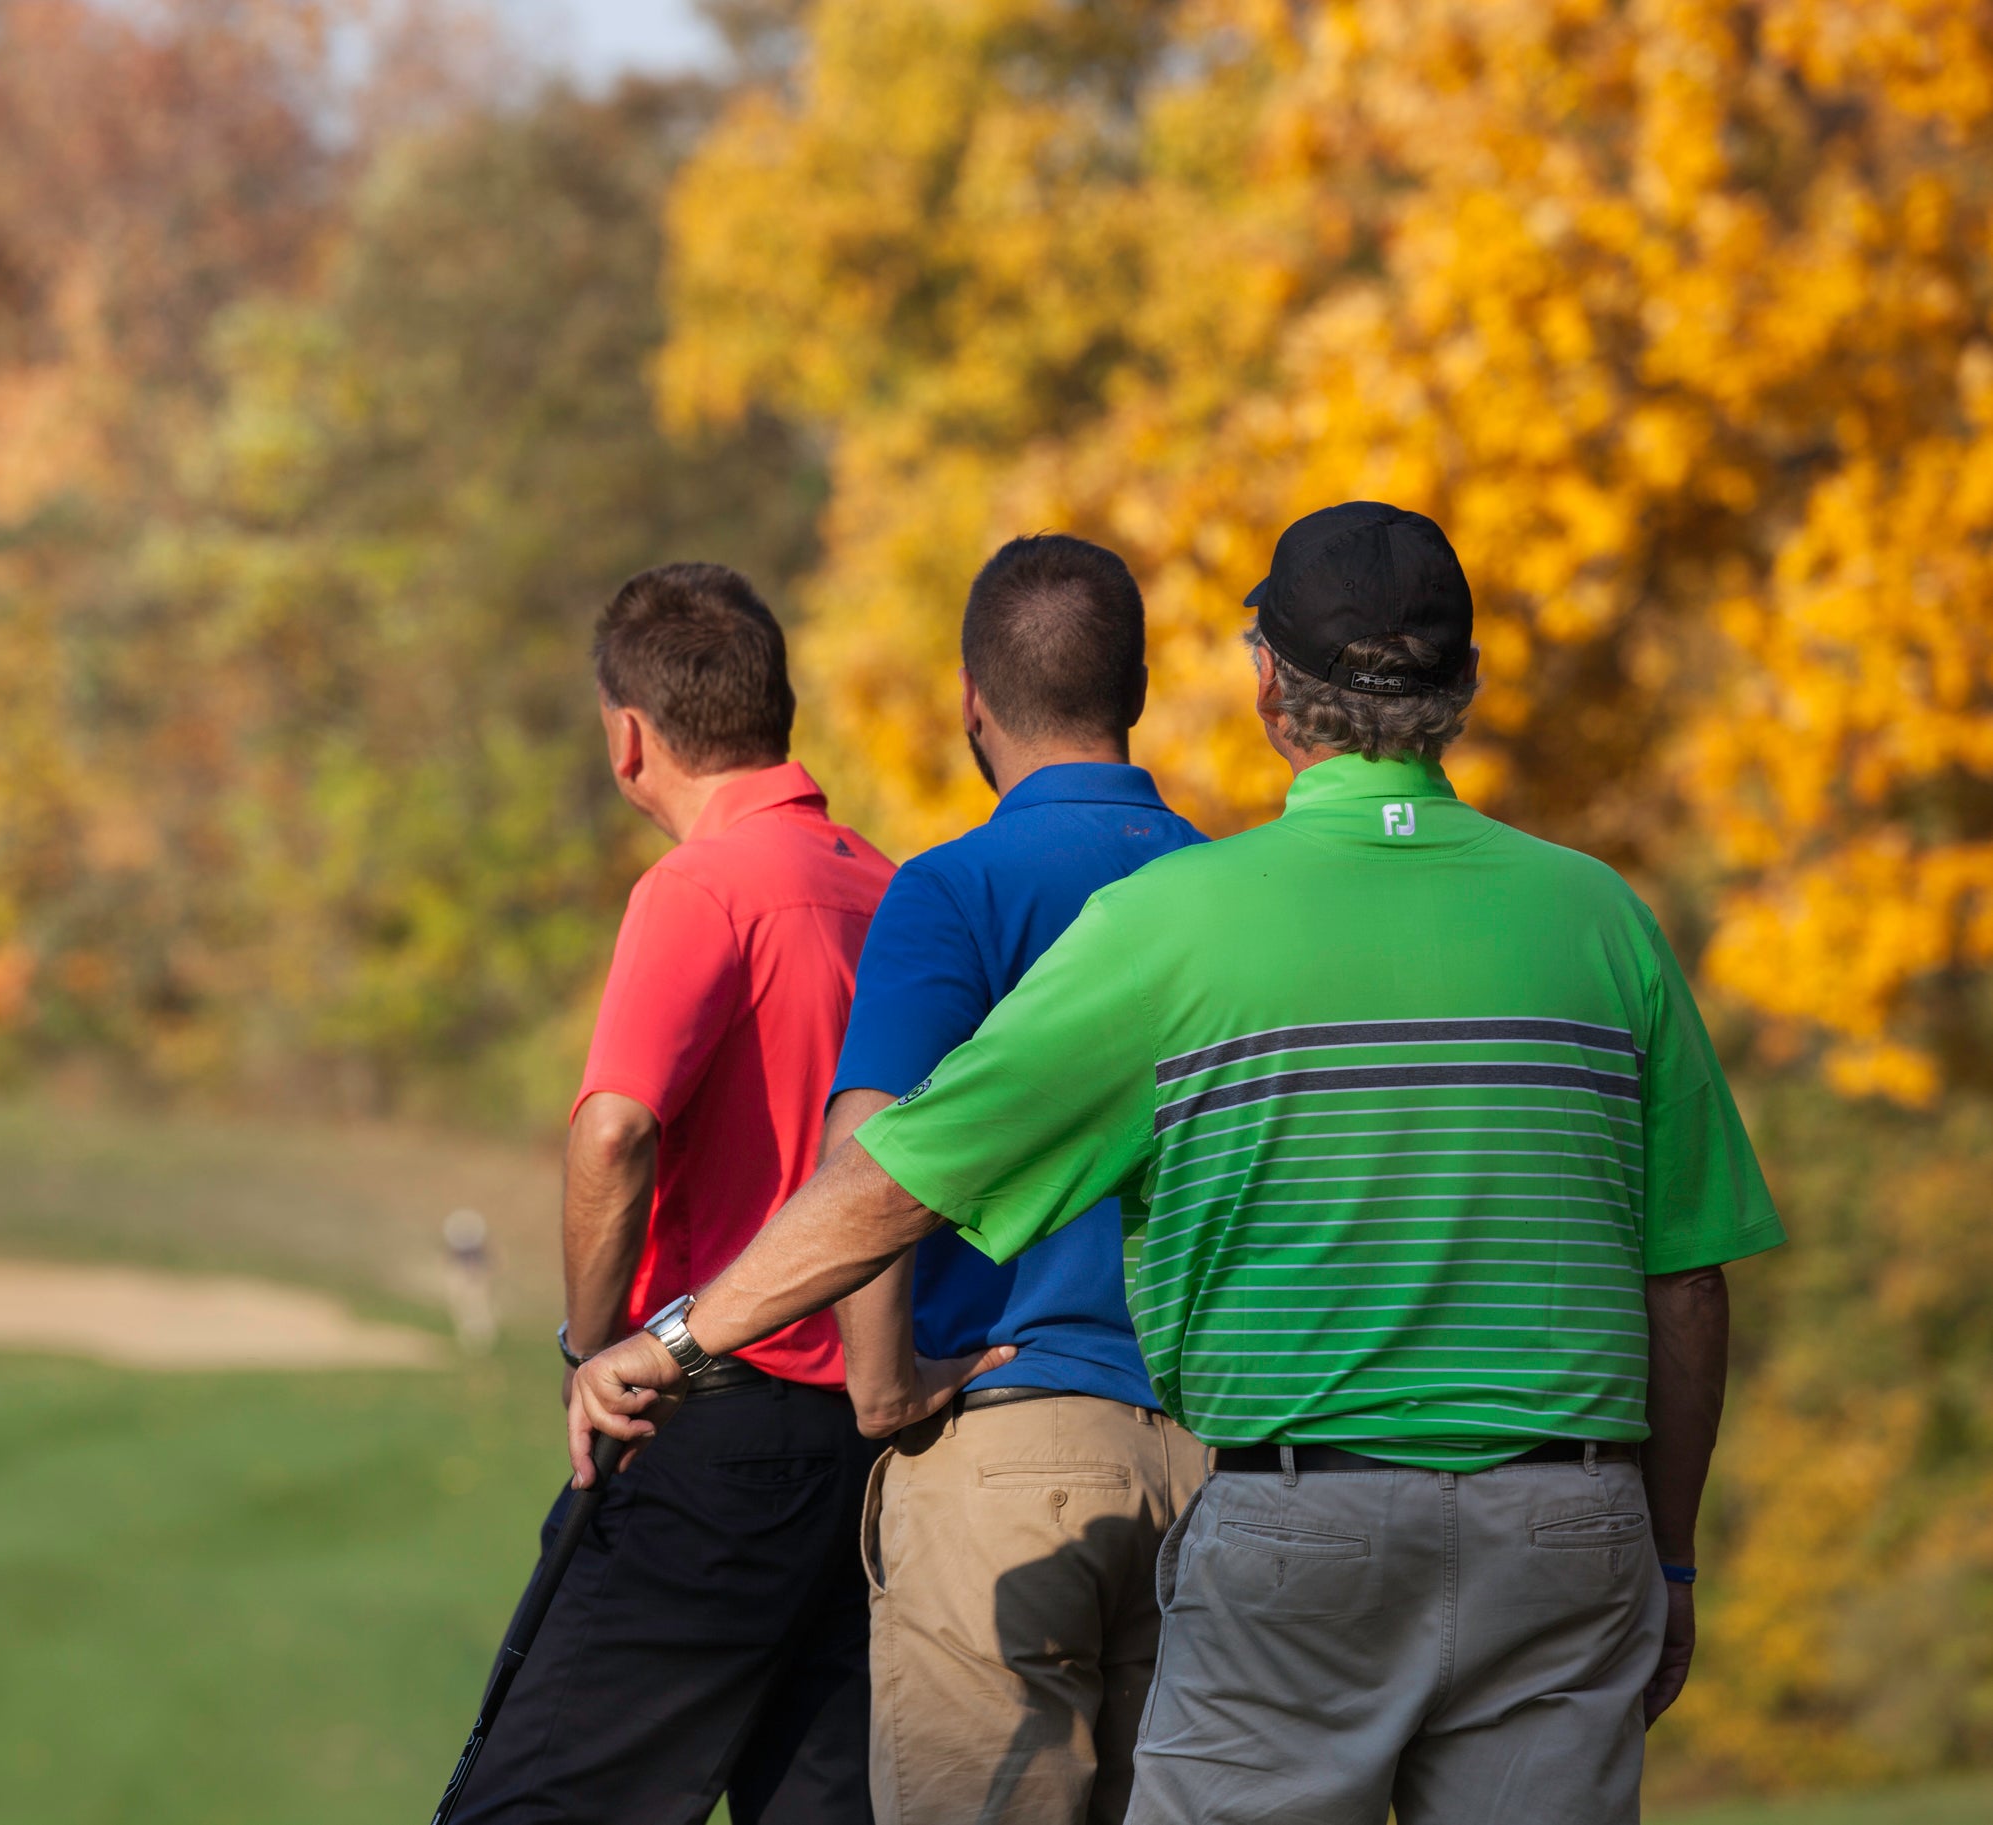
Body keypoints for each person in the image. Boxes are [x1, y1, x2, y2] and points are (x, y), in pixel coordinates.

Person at [569, 503, 1784, 1825]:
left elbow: (894, 1176)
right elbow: (1685, 1284)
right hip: (1569, 1525)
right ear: (1468, 683)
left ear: (1267, 685)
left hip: (1303, 1518)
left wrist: (673, 1339)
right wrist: (1667, 1558)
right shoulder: (1603, 919)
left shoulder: (1178, 924)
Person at [451, 561, 896, 1824]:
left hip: (717, 1427)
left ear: (627, 737)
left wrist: (592, 1352)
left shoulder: (702, 885)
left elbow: (614, 1131)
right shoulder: (888, 883)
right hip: (867, 1454)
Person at [824, 535, 1207, 1825]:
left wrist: (882, 1383)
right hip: (1219, 1469)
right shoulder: (1236, 896)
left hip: (1013, 1449)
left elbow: (870, 1146)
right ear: (1135, 689)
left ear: (968, 701)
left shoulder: (952, 890)